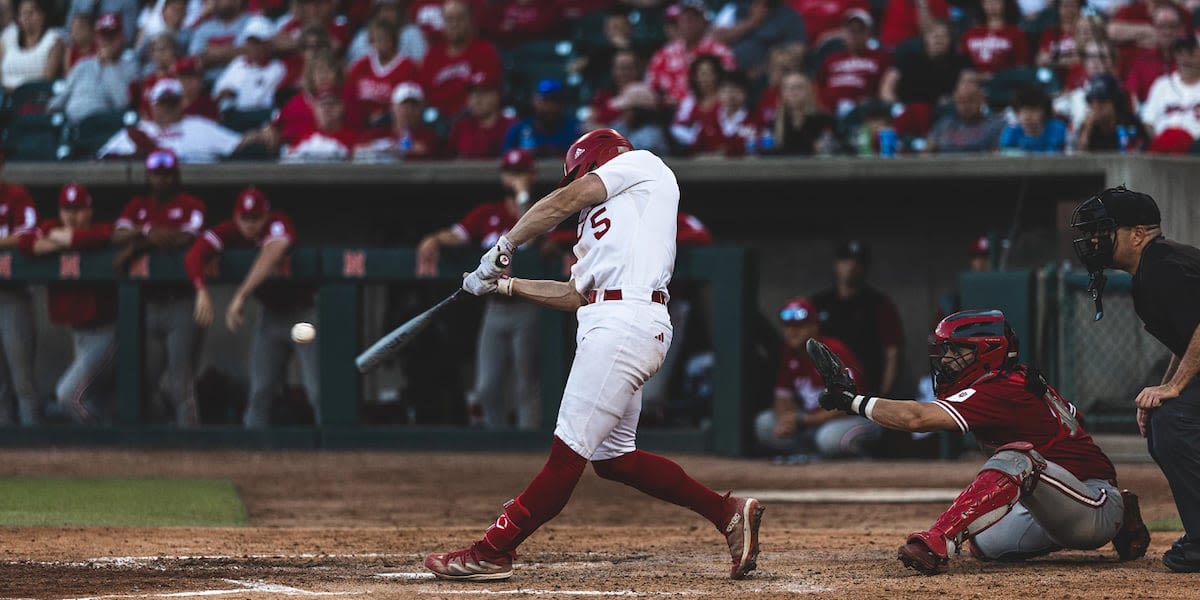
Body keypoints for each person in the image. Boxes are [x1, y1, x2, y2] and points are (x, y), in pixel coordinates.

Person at [423, 128, 764, 582]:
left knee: (566, 457)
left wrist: (504, 246)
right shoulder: (599, 224)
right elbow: (573, 294)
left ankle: (493, 551)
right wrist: (504, 284)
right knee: (614, 458)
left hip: (625, 324)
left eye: (578, 176)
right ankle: (726, 512)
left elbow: (567, 198)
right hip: (611, 322)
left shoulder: (641, 165)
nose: (576, 188)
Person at [811, 309, 1151, 574]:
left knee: (1019, 457)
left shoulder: (1002, 386)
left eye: (956, 351)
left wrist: (852, 401)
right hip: (1054, 501)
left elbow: (917, 418)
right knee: (985, 547)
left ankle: (937, 542)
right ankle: (1126, 525)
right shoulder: (1010, 381)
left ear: (985, 352)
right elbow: (1077, 421)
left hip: (1093, 502)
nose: (945, 361)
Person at [1070, 186, 1200, 572]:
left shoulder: (1161, 268)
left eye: (1105, 230)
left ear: (1138, 234)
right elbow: (1186, 335)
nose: (1094, 239)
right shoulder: (1155, 265)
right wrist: (1168, 388)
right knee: (1167, 419)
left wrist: (1175, 388)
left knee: (1173, 421)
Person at [416, 149, 541, 429]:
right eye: (511, 173)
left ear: (532, 176)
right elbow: (458, 234)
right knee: (487, 385)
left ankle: (528, 445)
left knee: (526, 383)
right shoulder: (488, 213)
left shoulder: (543, 209)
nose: (515, 179)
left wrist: (523, 198)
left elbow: (531, 237)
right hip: (495, 307)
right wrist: (434, 239)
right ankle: (497, 446)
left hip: (529, 303)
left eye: (521, 173)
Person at [186, 186, 320, 428]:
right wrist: (200, 290)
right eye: (244, 218)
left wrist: (240, 296)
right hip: (271, 316)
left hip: (303, 314)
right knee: (260, 391)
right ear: (236, 217)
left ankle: (333, 448)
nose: (249, 224)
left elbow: (273, 252)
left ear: (266, 215)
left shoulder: (278, 222)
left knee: (316, 390)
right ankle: (252, 456)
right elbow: (194, 255)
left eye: (256, 218)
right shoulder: (231, 231)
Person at [112, 149, 206, 426]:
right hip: (149, 304)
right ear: (148, 175)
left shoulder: (191, 204)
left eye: (166, 174)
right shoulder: (137, 205)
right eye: (156, 174)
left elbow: (185, 239)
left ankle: (191, 444)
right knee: (145, 381)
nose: (161, 180)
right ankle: (156, 449)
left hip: (182, 303)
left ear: (175, 175)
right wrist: (146, 233)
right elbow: (117, 236)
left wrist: (139, 245)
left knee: (181, 383)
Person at [16, 184, 116, 424]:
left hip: (108, 334)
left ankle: (108, 444)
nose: (72, 215)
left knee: (68, 395)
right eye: (67, 209)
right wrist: (68, 241)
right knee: (92, 398)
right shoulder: (51, 227)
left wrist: (67, 239)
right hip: (78, 333)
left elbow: (104, 236)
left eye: (79, 209)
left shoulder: (100, 229)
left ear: (90, 210)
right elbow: (27, 243)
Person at [755, 297, 880, 459]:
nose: (792, 331)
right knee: (765, 423)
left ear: (814, 326)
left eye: (799, 326)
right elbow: (782, 398)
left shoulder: (833, 350)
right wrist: (786, 420)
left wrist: (804, 421)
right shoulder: (789, 354)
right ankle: (810, 458)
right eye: (788, 326)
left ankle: (860, 462)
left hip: (855, 418)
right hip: (813, 422)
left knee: (827, 438)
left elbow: (850, 404)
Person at [812, 239, 903, 397]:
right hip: (818, 386)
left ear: (865, 267)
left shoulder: (879, 304)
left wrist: (883, 395)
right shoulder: (819, 303)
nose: (851, 266)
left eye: (857, 262)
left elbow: (892, 353)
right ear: (836, 264)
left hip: (863, 391)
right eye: (845, 260)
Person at [97, 78, 247, 162]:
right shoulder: (138, 131)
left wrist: (260, 135)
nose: (168, 108)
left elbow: (237, 143)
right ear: (153, 106)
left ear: (182, 103)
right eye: (163, 103)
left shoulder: (199, 126)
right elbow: (102, 158)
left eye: (173, 102)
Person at [0, 151, 38, 425]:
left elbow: (28, 235)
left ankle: (37, 449)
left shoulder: (16, 195)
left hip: (11, 295)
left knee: (22, 379)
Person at [48, 12, 138, 125]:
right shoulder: (83, 63)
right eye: (103, 36)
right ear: (96, 38)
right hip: (70, 121)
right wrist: (52, 106)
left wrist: (109, 64)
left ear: (121, 37)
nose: (106, 41)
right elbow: (65, 94)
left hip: (101, 125)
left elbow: (122, 103)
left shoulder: (130, 66)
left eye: (111, 36)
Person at [418, 0, 501, 117]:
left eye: (460, 18)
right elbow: (423, 94)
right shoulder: (432, 56)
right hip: (437, 122)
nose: (454, 24)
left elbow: (490, 93)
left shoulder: (484, 51)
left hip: (472, 119)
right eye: (449, 19)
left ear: (470, 21)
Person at [646, 0, 736, 107]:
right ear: (678, 22)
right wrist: (662, 101)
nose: (689, 24)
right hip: (668, 113)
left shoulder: (720, 52)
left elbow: (729, 88)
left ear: (704, 21)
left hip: (706, 111)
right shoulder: (664, 54)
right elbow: (650, 87)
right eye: (685, 19)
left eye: (694, 19)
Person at [816, 9, 894, 118]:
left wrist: (873, 101)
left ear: (869, 33)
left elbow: (887, 86)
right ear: (843, 33)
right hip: (830, 112)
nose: (854, 35)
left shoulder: (881, 58)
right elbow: (818, 85)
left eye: (859, 31)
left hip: (863, 111)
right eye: (851, 31)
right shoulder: (832, 59)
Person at [346, 18, 420, 129]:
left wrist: (385, 116)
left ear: (393, 40)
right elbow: (349, 96)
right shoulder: (361, 65)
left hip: (391, 124)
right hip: (361, 123)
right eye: (377, 39)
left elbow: (410, 102)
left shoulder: (408, 67)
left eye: (385, 38)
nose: (380, 43)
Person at [1139, 33, 1200, 154]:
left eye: (1191, 53)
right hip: (1162, 150)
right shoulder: (1162, 85)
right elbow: (1148, 122)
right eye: (1180, 53)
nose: (1185, 59)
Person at [212, 16, 287, 112]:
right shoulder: (238, 63)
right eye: (250, 43)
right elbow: (218, 92)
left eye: (257, 43)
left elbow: (264, 101)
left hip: (257, 116)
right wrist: (224, 93)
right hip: (230, 114)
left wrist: (236, 94)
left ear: (268, 45)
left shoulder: (277, 68)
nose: (252, 47)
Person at [355, 81, 440, 161]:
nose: (408, 110)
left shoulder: (428, 135)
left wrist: (383, 147)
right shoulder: (377, 132)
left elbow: (423, 150)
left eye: (414, 105)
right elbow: (358, 150)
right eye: (403, 105)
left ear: (422, 108)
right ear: (392, 107)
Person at [926, 72, 1006, 153]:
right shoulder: (943, 125)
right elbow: (926, 154)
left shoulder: (996, 125)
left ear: (982, 100)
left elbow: (998, 156)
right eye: (960, 101)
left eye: (970, 100)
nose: (965, 106)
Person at [501, 79, 581, 158]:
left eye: (555, 101)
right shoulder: (518, 131)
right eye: (545, 100)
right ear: (534, 100)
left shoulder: (575, 130)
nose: (550, 106)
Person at [447, 70, 516, 158]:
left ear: (497, 96)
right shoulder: (461, 128)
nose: (476, 100)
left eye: (482, 93)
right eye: (472, 94)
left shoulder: (512, 127)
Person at [766, 71, 837, 156]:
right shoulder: (773, 123)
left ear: (810, 90)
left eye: (799, 88)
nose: (793, 93)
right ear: (782, 93)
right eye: (788, 88)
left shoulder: (825, 120)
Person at [1, 0, 64, 92]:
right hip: (3, 95)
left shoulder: (54, 39)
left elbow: (46, 80)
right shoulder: (8, 36)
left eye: (31, 12)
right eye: (23, 13)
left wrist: (15, 90)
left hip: (33, 97)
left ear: (43, 15)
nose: (26, 17)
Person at [998, 85, 1068, 154]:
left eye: (1033, 110)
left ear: (1044, 112)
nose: (1027, 116)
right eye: (1023, 111)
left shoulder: (1058, 130)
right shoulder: (1010, 133)